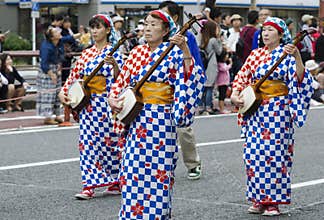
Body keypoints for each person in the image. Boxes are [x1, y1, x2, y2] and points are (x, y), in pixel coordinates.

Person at [108, 9, 204, 219]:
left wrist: (185, 49)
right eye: (146, 24)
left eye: (154, 24)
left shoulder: (176, 52)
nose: (148, 28)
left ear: (166, 30)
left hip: (161, 119)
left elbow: (191, 76)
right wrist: (113, 98)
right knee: (132, 170)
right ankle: (132, 215)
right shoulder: (136, 52)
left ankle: (156, 215)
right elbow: (122, 82)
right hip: (136, 118)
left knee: (158, 172)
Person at [231, 17, 314, 216]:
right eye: (264, 30)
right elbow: (242, 77)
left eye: (270, 30)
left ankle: (272, 202)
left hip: (278, 110)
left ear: (280, 34)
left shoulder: (287, 54)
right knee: (253, 155)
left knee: (274, 155)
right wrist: (235, 94)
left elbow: (301, 79)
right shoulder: (255, 54)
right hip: (255, 110)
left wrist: (297, 58)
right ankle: (258, 198)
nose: (265, 34)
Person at [58, 14, 124, 199]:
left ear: (108, 30)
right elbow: (74, 76)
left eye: (99, 27)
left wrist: (116, 67)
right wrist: (64, 92)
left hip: (106, 103)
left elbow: (122, 80)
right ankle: (89, 185)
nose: (94, 31)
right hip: (88, 104)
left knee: (110, 143)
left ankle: (115, 180)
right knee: (87, 143)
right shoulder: (86, 53)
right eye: (92, 27)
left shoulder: (115, 51)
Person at [159, 0, 204, 180]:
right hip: (155, 91)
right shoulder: (154, 36)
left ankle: (193, 163)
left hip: (178, 87)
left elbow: (194, 64)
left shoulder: (186, 36)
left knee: (183, 128)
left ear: (175, 17)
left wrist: (192, 87)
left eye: (164, 14)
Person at [37, 27, 77, 125]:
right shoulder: (46, 46)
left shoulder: (59, 41)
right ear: (52, 37)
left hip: (56, 67)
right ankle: (47, 116)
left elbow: (69, 38)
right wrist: (51, 74)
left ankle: (57, 114)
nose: (59, 32)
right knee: (48, 94)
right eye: (56, 32)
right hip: (47, 70)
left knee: (57, 93)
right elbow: (44, 63)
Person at [199, 20, 223, 115]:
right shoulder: (213, 40)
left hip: (204, 64)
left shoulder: (202, 39)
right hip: (211, 64)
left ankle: (201, 106)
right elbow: (219, 51)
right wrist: (219, 40)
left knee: (203, 86)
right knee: (209, 87)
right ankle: (208, 107)